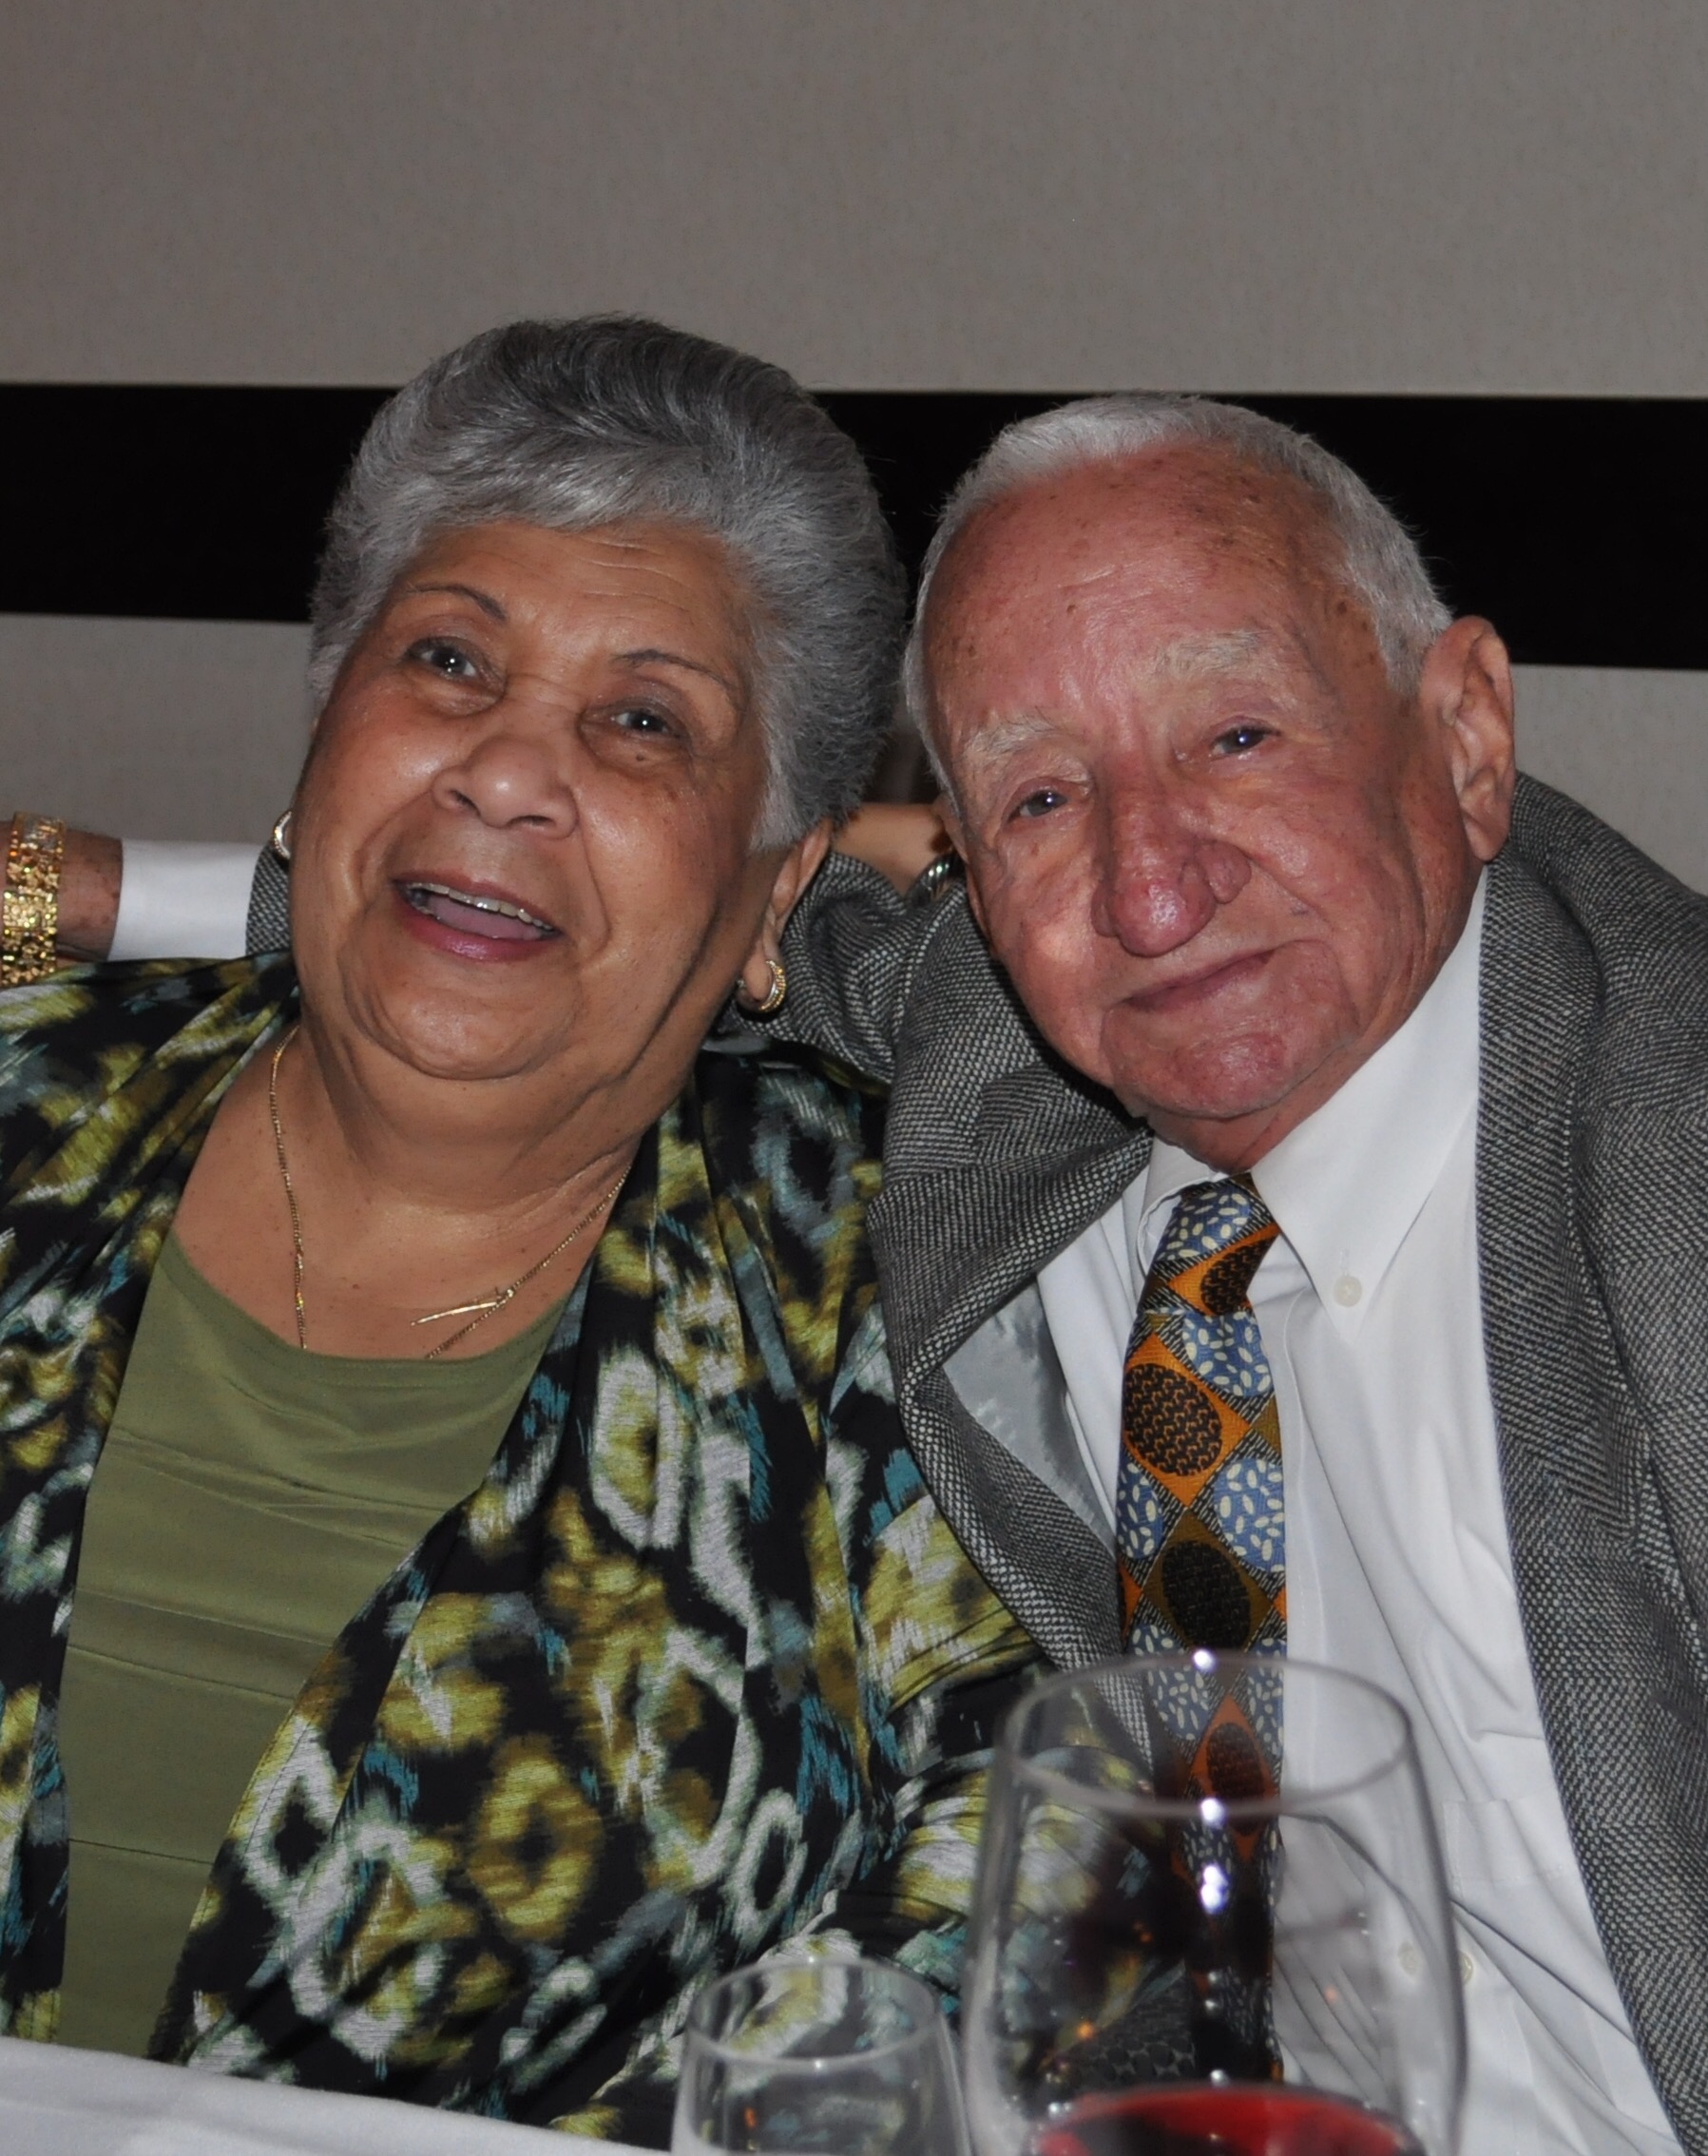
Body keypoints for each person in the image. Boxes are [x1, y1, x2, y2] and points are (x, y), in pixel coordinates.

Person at [24, 397, 1708, 2154]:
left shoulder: (1659, 1181)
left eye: (1235, 736)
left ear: (1466, 730)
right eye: (1040, 794)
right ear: (962, 863)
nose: (1150, 891)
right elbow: (540, 913)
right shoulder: (1018, 1050)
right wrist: (117, 889)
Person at [0, 316, 1041, 2145]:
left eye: (642, 721)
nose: (503, 769)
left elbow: (1008, 1925)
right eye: (448, 660)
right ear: (324, 734)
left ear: (784, 881)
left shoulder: (905, 1283)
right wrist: (103, 890)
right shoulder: (36, 1089)